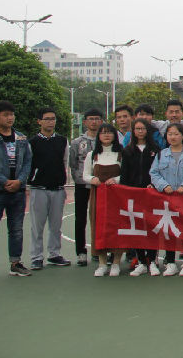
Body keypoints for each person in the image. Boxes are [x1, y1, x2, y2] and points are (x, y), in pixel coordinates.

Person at [0, 101, 33, 280]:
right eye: (5, 115)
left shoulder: (21, 138)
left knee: (16, 229)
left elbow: (28, 161)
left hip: (17, 191)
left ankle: (15, 263)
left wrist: (20, 181)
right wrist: (4, 181)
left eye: (12, 114)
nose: (10, 118)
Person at [27, 107, 70, 270]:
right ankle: (36, 257)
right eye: (47, 119)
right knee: (37, 226)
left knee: (56, 225)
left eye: (53, 119)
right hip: (39, 188)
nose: (50, 122)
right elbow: (28, 164)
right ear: (39, 121)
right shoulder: (32, 142)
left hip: (58, 189)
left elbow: (65, 161)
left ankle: (54, 254)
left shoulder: (62, 141)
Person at [149, 123, 183, 277]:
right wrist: (163, 185)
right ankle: (171, 262)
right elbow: (154, 173)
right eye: (170, 134)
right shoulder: (161, 154)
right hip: (166, 199)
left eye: (176, 134)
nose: (173, 137)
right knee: (169, 230)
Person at [120, 118, 161, 276]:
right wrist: (126, 191)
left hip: (150, 194)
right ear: (133, 131)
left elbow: (157, 172)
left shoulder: (155, 150)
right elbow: (124, 174)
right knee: (137, 228)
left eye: (143, 128)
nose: (140, 131)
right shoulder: (127, 151)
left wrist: (154, 186)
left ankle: (152, 261)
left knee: (151, 227)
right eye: (137, 129)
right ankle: (142, 262)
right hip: (133, 195)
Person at [84, 123, 124, 277]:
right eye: (103, 132)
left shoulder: (121, 154)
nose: (106, 135)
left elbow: (126, 174)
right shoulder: (92, 155)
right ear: (98, 136)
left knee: (117, 227)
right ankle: (102, 263)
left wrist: (116, 179)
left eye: (109, 132)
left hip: (117, 197)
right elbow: (85, 175)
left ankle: (116, 263)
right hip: (98, 196)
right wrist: (92, 179)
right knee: (98, 227)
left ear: (114, 135)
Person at [68, 108, 103, 266]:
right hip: (82, 185)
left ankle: (98, 250)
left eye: (97, 119)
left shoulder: (106, 140)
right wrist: (81, 179)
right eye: (91, 119)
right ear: (85, 122)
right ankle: (81, 252)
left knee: (99, 218)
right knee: (80, 218)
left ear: (101, 121)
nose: (94, 122)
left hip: (101, 185)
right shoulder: (77, 142)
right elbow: (73, 164)